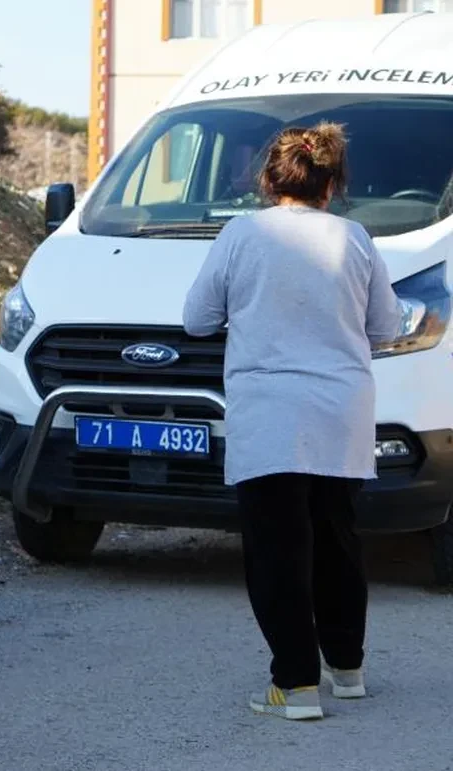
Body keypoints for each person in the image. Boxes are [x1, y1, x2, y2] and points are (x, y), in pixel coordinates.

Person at [182, 122, 404, 721]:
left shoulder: (242, 233)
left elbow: (198, 319)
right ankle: (347, 669)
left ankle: (295, 684)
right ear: (331, 185)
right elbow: (386, 327)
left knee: (278, 550)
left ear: (268, 179)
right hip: (340, 412)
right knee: (337, 540)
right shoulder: (356, 238)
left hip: (269, 413)